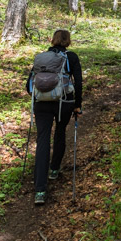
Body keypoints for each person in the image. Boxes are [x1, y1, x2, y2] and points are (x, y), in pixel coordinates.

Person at [31, 29, 82, 205]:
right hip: (64, 102)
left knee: (42, 140)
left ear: (53, 40)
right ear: (68, 41)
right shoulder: (71, 57)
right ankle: (54, 170)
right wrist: (77, 105)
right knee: (60, 132)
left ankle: (40, 189)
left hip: (41, 103)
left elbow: (29, 84)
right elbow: (79, 82)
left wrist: (38, 97)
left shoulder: (42, 58)